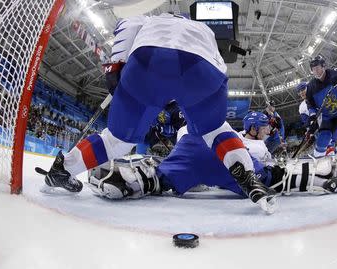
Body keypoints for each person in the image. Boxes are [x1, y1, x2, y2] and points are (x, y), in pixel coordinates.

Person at [39, 13, 276, 213]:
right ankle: (249, 178)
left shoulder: (151, 20)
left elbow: (126, 26)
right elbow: (219, 66)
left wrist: (115, 68)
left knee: (117, 141)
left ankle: (63, 169)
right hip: (203, 69)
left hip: (148, 60)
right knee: (215, 131)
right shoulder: (203, 28)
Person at [87, 111, 337, 201]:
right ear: (251, 128)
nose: (266, 131)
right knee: (275, 177)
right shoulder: (253, 144)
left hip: (190, 144)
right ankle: (320, 173)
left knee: (159, 176)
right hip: (230, 151)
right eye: (263, 128)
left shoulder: (181, 116)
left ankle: (131, 179)